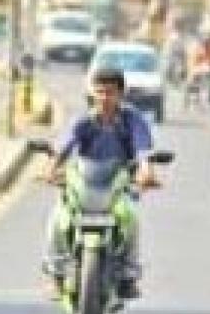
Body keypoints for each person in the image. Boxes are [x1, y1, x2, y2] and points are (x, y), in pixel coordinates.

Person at [42, 66, 158, 300]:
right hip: (85, 183)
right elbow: (64, 146)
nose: (105, 98)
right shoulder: (83, 120)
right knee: (57, 218)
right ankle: (56, 275)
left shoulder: (132, 120)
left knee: (132, 219)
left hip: (118, 185)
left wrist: (146, 172)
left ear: (121, 94)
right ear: (92, 94)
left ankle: (128, 275)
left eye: (111, 92)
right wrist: (51, 169)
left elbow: (143, 151)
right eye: (100, 92)